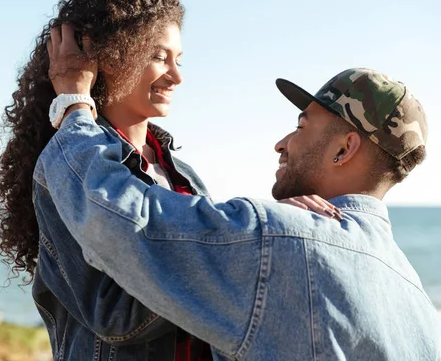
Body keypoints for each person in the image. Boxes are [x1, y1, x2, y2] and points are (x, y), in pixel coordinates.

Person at [38, 36, 441, 360]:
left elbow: (115, 215)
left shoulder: (280, 241)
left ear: (344, 149)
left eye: (302, 127)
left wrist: (73, 105)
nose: (281, 143)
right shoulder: (419, 305)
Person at [0, 0, 219, 360]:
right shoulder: (64, 168)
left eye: (179, 59)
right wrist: (231, 262)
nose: (176, 76)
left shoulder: (184, 175)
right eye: (158, 56)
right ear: (104, 57)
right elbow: (116, 314)